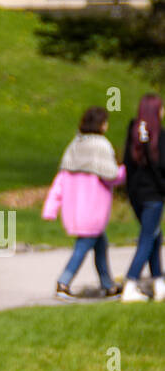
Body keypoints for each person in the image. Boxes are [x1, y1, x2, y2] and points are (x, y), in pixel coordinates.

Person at [42, 106, 125, 300]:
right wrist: (126, 171)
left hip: (75, 211)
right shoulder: (101, 146)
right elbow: (111, 175)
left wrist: (51, 208)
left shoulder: (74, 145)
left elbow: (60, 181)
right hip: (93, 210)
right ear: (101, 124)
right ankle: (63, 283)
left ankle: (108, 285)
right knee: (83, 247)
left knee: (100, 245)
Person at [121, 93, 165, 302]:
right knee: (147, 238)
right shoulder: (159, 136)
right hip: (153, 197)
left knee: (155, 236)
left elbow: (127, 165)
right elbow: (159, 169)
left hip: (136, 195)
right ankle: (130, 283)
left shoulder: (133, 134)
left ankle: (159, 282)